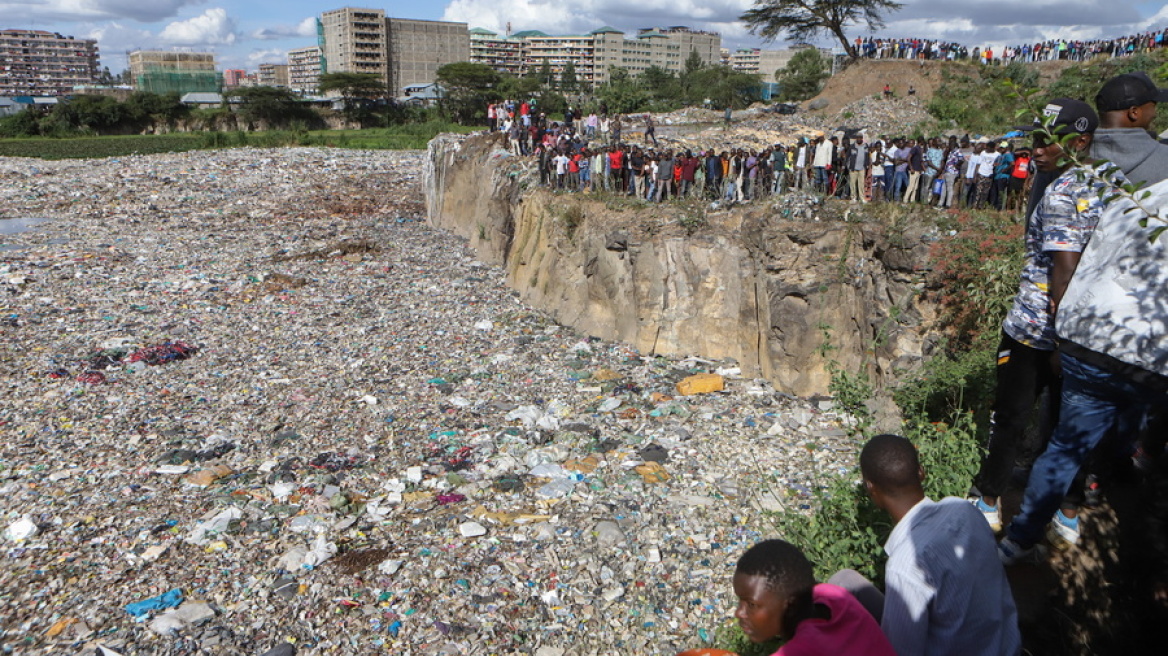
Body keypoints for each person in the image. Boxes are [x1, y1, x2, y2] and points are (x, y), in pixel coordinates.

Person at [970, 99, 1103, 545]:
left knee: (1010, 418)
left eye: (1049, 140)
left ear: (1080, 141)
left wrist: (1062, 342)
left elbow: (1064, 270)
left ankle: (988, 502)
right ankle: (1068, 511)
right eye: (1036, 138)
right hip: (1086, 334)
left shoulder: (1063, 193)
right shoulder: (1106, 183)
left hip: (1037, 330)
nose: (1037, 149)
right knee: (1070, 425)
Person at [860, 434, 1021, 656]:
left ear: (871, 489)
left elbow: (901, 651)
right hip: (1006, 646)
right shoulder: (966, 510)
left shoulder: (904, 565)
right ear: (921, 472)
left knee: (844, 585)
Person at [732, 539, 896, 656]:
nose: (739, 613)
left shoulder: (800, 650)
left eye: (752, 604)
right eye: (740, 601)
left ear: (790, 605)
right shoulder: (834, 595)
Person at [1091, 71, 1168, 185]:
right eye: (1153, 106)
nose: (1154, 113)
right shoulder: (1164, 158)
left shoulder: (1075, 157)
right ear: (1134, 112)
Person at [847, 135, 869, 203]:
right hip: (853, 168)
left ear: (862, 139)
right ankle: (853, 197)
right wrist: (847, 165)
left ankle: (862, 198)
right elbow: (847, 156)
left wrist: (867, 164)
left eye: (860, 138)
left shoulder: (865, 146)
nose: (859, 139)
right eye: (857, 138)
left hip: (862, 168)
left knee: (861, 183)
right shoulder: (852, 146)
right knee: (852, 183)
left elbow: (867, 156)